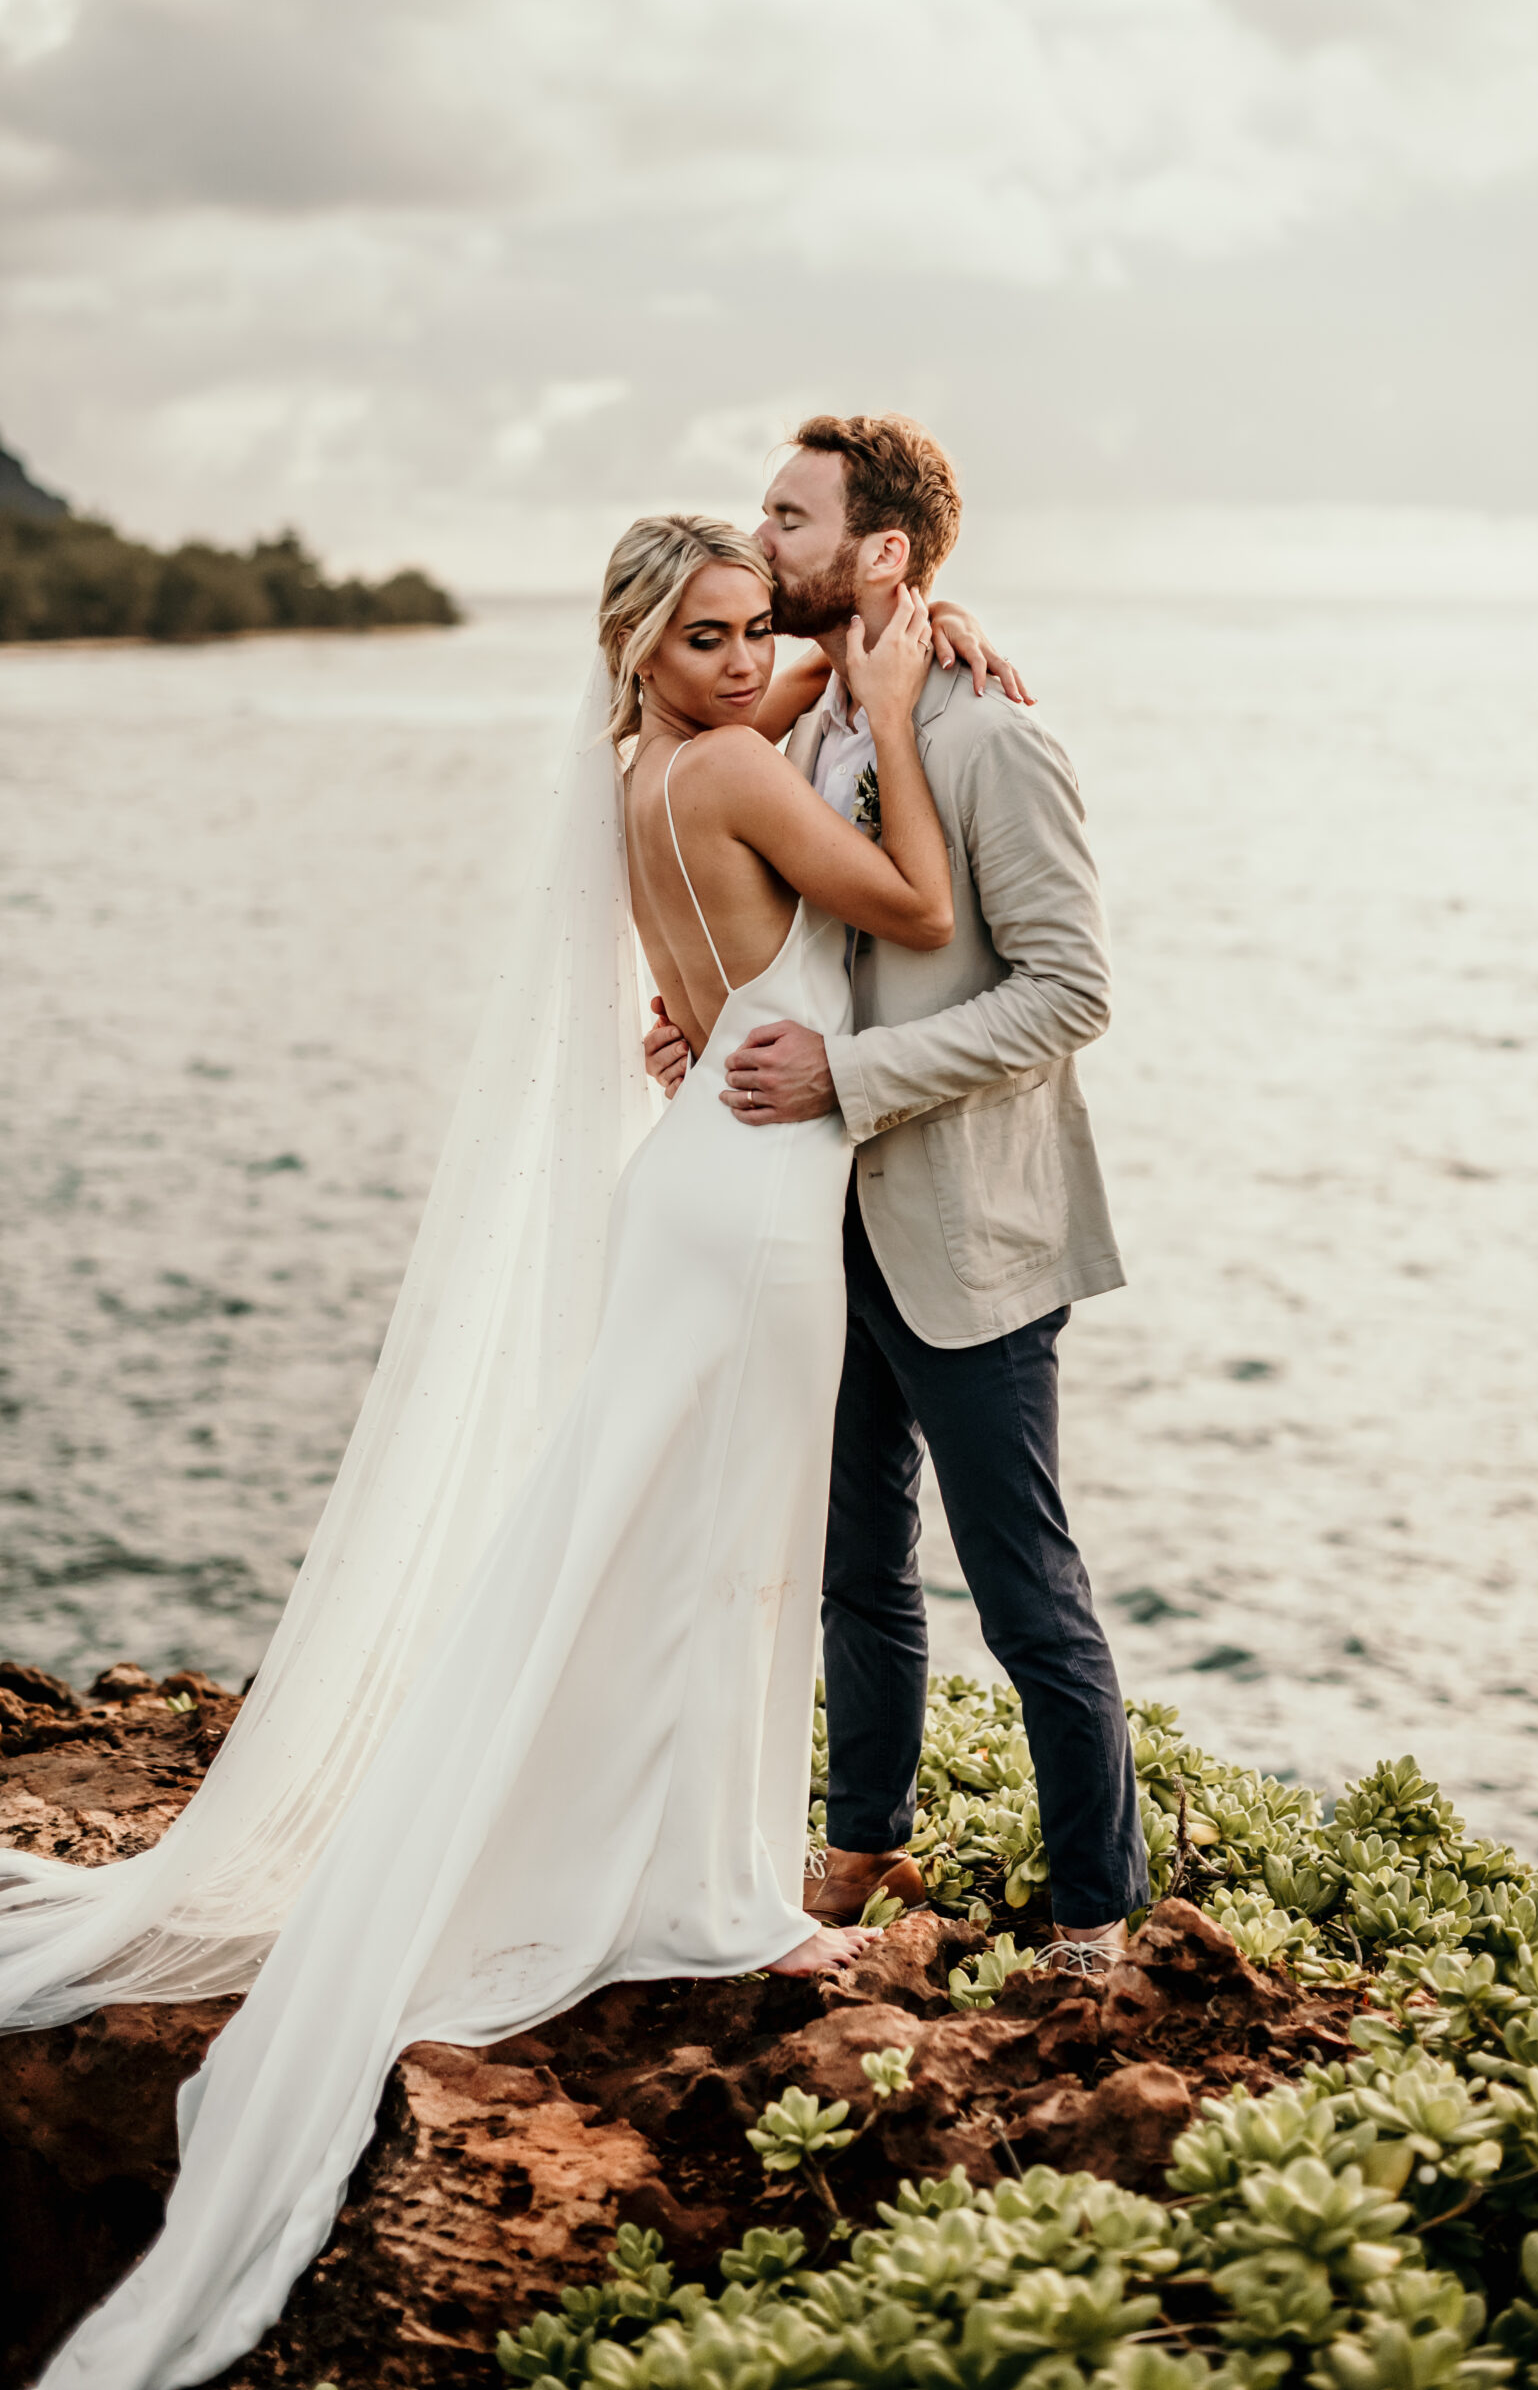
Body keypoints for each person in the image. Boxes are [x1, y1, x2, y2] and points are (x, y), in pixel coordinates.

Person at [4, 518, 969, 2388]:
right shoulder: (750, 761)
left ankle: (683, 1861)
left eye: (750, 629)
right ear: (638, 647)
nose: (736, 655)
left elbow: (754, 717)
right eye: (701, 636)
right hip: (763, 1198)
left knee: (671, 1530)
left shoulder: (644, 768)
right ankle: (708, 1889)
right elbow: (918, 910)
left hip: (697, 1170)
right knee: (724, 1544)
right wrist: (908, 713)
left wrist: (848, 644)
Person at [648, 416, 1149, 1959]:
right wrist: (720, 1020)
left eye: (788, 519)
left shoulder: (994, 736)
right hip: (818, 1220)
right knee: (857, 1569)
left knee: (1025, 1592)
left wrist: (843, 1079)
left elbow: (1070, 993)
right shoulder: (807, 732)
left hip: (967, 1232)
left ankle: (1096, 1921)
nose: (763, 539)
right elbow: (821, 942)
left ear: (880, 552)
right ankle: (862, 1849)